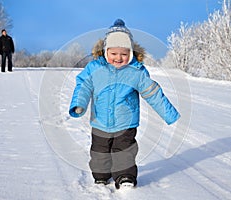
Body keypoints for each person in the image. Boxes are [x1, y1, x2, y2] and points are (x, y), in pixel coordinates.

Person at [69, 19, 180, 189]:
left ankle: (125, 176)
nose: (119, 58)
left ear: (131, 53)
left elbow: (153, 92)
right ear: (106, 52)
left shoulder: (136, 71)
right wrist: (79, 104)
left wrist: (169, 113)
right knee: (100, 152)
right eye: (114, 54)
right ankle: (101, 176)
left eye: (124, 54)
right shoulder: (95, 68)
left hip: (126, 122)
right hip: (100, 121)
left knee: (124, 152)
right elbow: (83, 86)